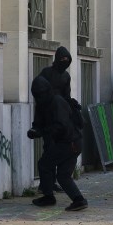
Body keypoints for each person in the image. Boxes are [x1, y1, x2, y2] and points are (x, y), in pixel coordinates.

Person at [28, 76, 88, 211]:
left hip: (70, 142)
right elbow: (39, 122)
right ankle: (79, 200)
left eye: (41, 93)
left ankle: (49, 196)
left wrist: (41, 132)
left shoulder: (57, 102)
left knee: (45, 164)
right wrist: (34, 130)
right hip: (70, 142)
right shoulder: (43, 104)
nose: (40, 96)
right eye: (37, 94)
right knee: (63, 175)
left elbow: (61, 126)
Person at [37, 46, 79, 193]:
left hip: (60, 116)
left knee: (56, 151)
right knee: (48, 149)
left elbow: (66, 95)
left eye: (67, 60)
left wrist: (71, 104)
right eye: (62, 60)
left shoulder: (66, 76)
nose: (64, 62)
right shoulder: (47, 73)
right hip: (48, 115)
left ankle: (52, 182)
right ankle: (46, 184)